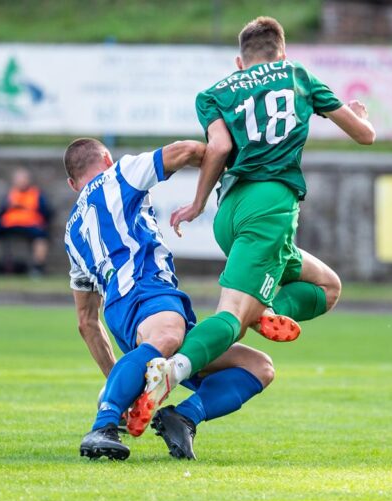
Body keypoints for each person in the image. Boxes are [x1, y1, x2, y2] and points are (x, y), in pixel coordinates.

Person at [135, 16, 376, 425]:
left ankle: (267, 312)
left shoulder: (214, 93)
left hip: (230, 212)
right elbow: (364, 135)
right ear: (281, 54)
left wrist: (197, 204)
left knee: (327, 286)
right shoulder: (297, 75)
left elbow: (219, 147)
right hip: (269, 208)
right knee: (232, 316)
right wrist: (359, 113)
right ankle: (171, 371)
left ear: (239, 62)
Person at [63, 138, 291, 460]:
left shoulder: (72, 234)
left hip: (123, 314)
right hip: (146, 289)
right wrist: (227, 166)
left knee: (258, 367)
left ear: (72, 184)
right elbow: (187, 150)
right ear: (107, 158)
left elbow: (87, 323)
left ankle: (182, 417)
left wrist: (121, 380)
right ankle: (103, 425)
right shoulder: (119, 173)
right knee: (169, 335)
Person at [0, 167, 52, 275]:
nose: (21, 181)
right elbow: (0, 212)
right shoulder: (10, 194)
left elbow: (46, 213)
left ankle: (38, 268)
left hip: (29, 225)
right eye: (18, 178)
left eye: (23, 178)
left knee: (42, 236)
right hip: (9, 224)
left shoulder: (37, 194)